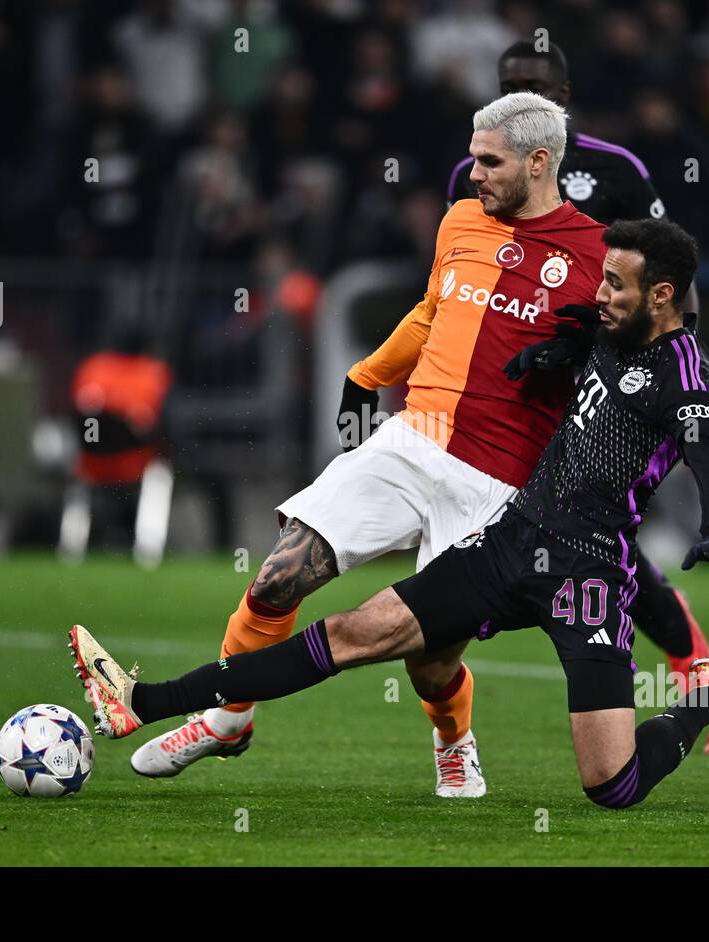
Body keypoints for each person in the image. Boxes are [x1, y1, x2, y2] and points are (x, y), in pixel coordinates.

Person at [70, 217, 709, 811]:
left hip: (590, 575)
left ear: (663, 296)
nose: (599, 294)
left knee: (610, 785)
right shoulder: (607, 331)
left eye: (616, 285)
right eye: (601, 279)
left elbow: (707, 450)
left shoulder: (685, 370)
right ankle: (142, 699)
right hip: (512, 538)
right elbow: (585, 346)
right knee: (350, 633)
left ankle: (704, 699)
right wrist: (559, 352)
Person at [128, 91, 613, 797]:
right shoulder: (460, 222)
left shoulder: (598, 254)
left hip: (498, 482)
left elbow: (650, 355)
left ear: (539, 162)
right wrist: (367, 375)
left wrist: (587, 349)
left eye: (488, 161)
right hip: (411, 440)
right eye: (472, 158)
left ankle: (453, 739)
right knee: (278, 578)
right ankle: (228, 717)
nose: (472, 174)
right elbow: (431, 310)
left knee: (430, 662)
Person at [449, 38, 709, 755]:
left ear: (565, 93)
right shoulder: (473, 171)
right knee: (575, 540)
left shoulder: (616, 169)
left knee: (595, 540)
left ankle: (696, 667)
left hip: (596, 379)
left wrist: (680, 345)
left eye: (536, 84)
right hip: (511, 374)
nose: (525, 93)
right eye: (510, 83)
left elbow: (668, 255)